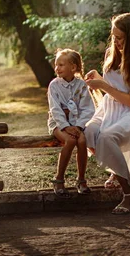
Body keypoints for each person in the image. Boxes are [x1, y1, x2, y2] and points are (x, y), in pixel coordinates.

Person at [84, 13, 130, 214]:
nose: (116, 42)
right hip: (108, 108)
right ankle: (117, 171)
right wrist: (98, 80)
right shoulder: (111, 53)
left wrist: (103, 86)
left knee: (106, 138)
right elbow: (112, 86)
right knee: (89, 132)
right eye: (114, 37)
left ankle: (129, 195)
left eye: (121, 38)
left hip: (129, 113)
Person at [47, 48, 95, 197]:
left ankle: (81, 179)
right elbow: (55, 109)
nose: (57, 68)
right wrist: (66, 127)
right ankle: (59, 179)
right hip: (58, 123)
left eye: (61, 65)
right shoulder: (54, 85)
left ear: (73, 67)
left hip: (77, 123)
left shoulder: (81, 85)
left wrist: (79, 126)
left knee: (81, 140)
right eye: (56, 64)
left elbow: (88, 108)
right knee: (70, 141)